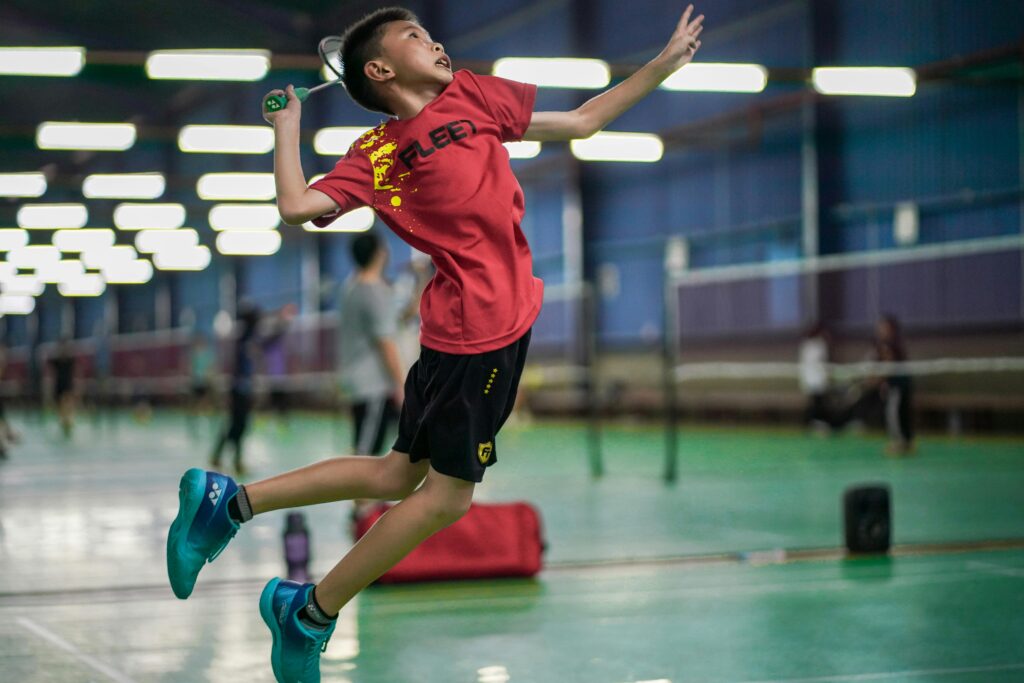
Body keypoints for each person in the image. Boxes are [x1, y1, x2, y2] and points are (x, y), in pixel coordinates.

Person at [166, 6, 704, 682]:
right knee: (447, 498)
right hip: (476, 335)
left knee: (397, 475)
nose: (436, 39)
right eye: (415, 35)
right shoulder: (380, 153)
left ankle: (229, 501)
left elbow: (582, 121)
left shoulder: (475, 96)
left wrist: (660, 66)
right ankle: (307, 612)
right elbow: (299, 207)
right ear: (379, 69)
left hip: (477, 331)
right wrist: (288, 127)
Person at [209, 302, 261, 475]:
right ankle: (233, 459)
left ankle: (224, 457)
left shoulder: (246, 337)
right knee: (237, 425)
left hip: (241, 388)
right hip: (239, 389)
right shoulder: (245, 338)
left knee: (237, 425)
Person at [261, 304, 297, 429]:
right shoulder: (274, 331)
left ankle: (282, 421)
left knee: (280, 397)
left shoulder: (282, 332)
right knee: (273, 396)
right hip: (274, 371)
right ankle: (267, 418)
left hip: (280, 372)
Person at [799, 322, 833, 433]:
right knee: (816, 403)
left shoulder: (814, 345)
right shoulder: (813, 345)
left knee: (819, 403)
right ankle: (814, 423)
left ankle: (818, 423)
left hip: (817, 379)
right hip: (813, 379)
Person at [186, 331, 216, 438]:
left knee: (205, 402)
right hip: (196, 382)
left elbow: (210, 368)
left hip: (204, 382)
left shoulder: (207, 354)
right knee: (194, 403)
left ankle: (205, 419)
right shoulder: (193, 355)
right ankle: (193, 421)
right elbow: (190, 368)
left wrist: (210, 378)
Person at [48, 337, 77, 439]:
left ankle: (68, 420)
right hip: (58, 386)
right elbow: (50, 375)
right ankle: (63, 422)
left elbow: (75, 374)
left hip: (68, 385)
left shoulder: (71, 360)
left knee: (67, 403)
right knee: (60, 408)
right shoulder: (55, 361)